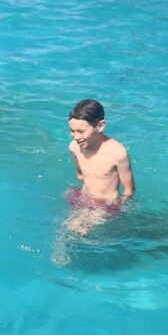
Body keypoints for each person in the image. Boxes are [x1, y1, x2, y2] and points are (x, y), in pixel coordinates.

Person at [65, 98, 134, 234]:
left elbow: (128, 191)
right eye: (72, 131)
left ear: (100, 126)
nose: (76, 137)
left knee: (75, 231)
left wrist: (114, 208)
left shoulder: (117, 153)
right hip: (83, 197)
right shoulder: (74, 147)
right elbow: (80, 176)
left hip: (106, 205)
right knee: (67, 229)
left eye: (81, 131)